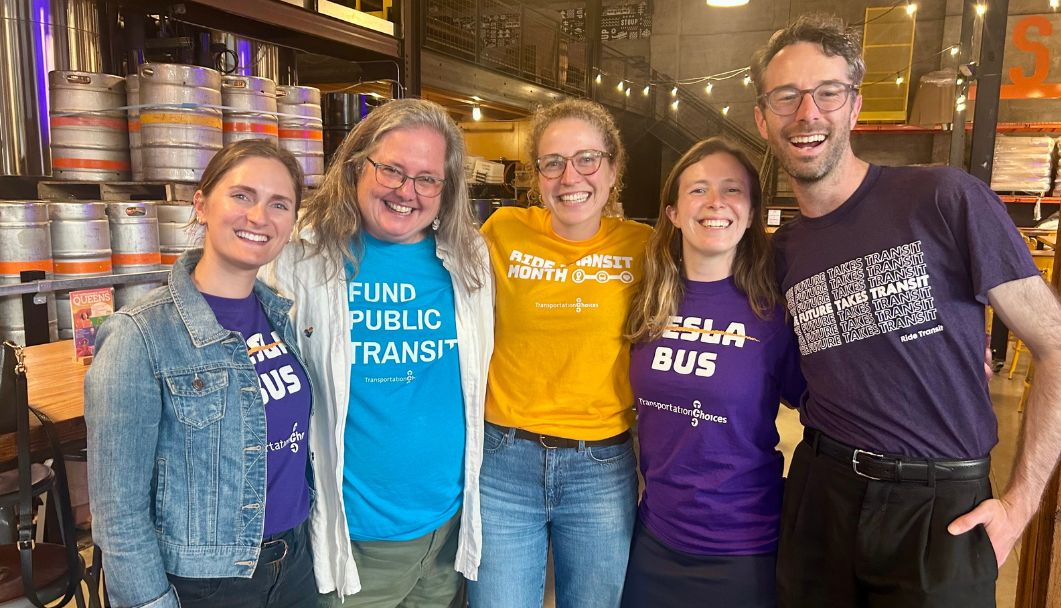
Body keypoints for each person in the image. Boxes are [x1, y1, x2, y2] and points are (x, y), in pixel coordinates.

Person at [750, 14, 1061, 607]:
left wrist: (1020, 505)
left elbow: (1060, 346)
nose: (807, 113)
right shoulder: (784, 251)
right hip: (821, 494)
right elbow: (797, 371)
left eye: (827, 92)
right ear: (763, 118)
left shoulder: (943, 197)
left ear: (854, 106)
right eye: (786, 96)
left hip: (939, 509)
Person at [260, 98, 493, 607]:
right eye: (391, 170)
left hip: (448, 530)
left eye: (427, 179)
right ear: (356, 165)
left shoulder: (467, 258)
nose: (407, 191)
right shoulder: (298, 256)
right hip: (354, 542)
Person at [86, 139, 316, 608]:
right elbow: (118, 513)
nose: (259, 216)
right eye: (242, 196)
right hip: (206, 584)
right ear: (202, 204)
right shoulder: (139, 335)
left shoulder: (280, 318)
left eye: (279, 204)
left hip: (294, 565)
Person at [468, 98, 652, 608]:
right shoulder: (501, 231)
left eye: (587, 159)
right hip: (503, 462)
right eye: (553, 162)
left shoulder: (646, 246)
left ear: (613, 169)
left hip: (600, 466)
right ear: (538, 175)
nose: (571, 176)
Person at [621, 136, 804, 608]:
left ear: (752, 211)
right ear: (673, 212)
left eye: (732, 190)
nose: (716, 202)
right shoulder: (645, 303)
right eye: (698, 189)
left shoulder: (774, 313)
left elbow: (833, 408)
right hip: (655, 537)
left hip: (746, 548)